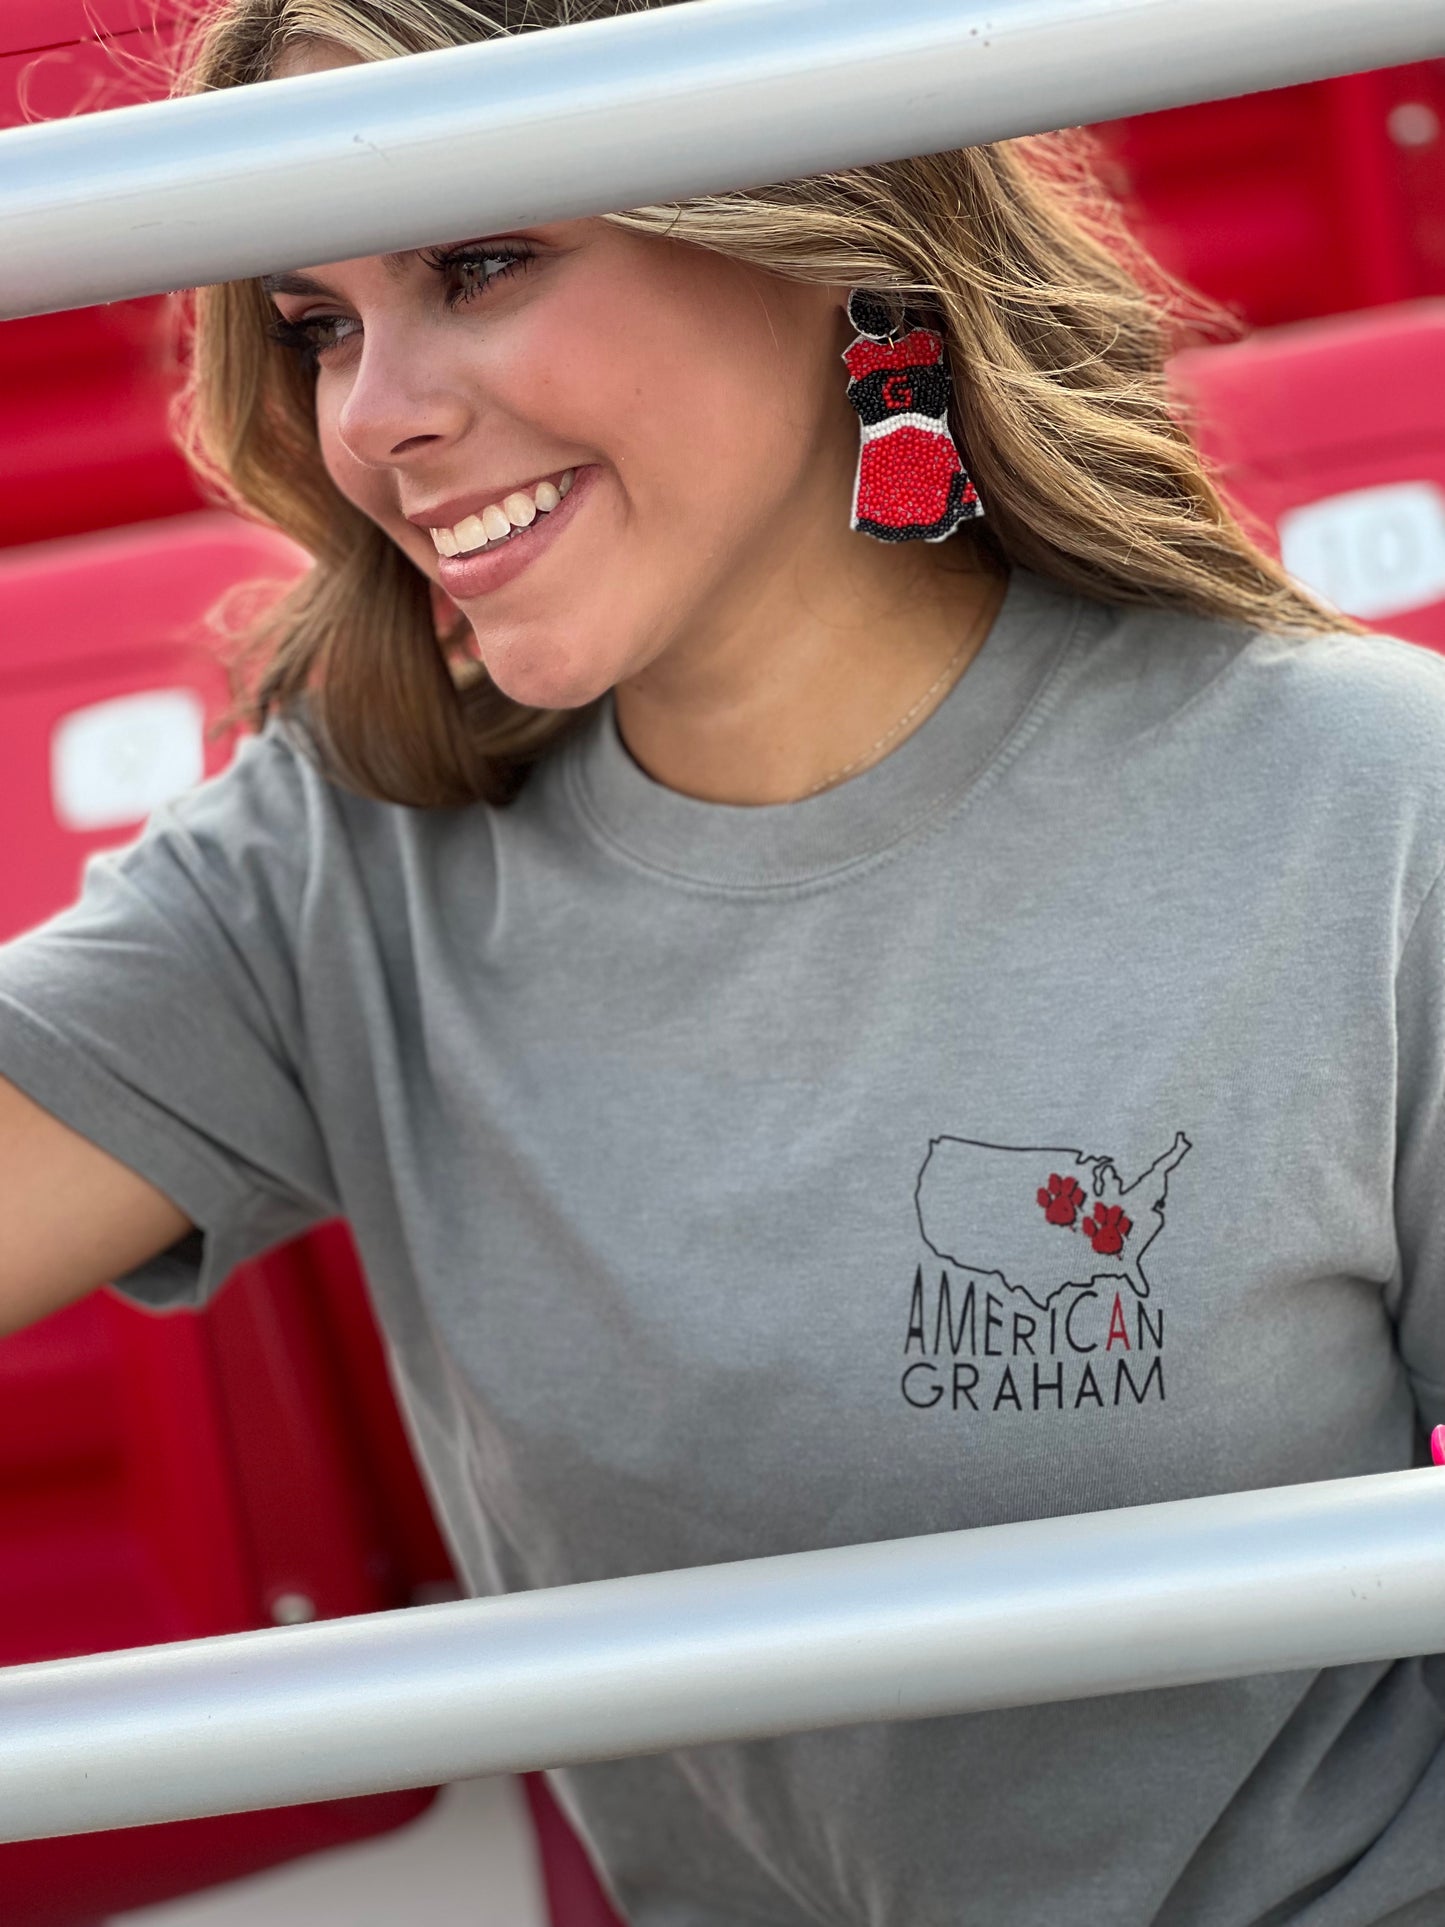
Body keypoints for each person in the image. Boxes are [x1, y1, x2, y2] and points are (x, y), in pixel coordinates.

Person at [2, 2, 1444, 1922]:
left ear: (812, 222)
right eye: (320, 323)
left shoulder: (1368, 808)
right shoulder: (347, 858)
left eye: (480, 261)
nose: (375, 417)